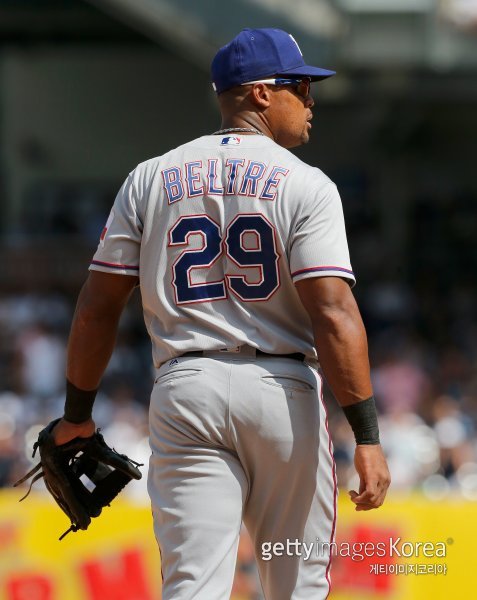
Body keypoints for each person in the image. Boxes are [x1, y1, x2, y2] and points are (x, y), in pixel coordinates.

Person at [53, 27, 390, 600]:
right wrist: (367, 435)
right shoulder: (306, 184)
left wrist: (77, 415)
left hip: (187, 387)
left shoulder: (150, 177)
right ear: (261, 93)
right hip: (281, 389)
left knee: (193, 586)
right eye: (300, 86)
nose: (310, 100)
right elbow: (333, 313)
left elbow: (96, 307)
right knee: (297, 584)